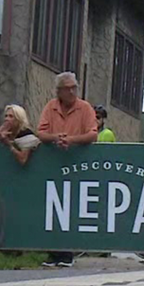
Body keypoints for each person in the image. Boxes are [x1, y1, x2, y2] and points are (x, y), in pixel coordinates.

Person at [37, 72, 99, 267]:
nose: (72, 91)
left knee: (71, 207)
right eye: (67, 88)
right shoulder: (50, 107)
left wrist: (71, 140)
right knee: (52, 207)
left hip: (78, 163)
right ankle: (53, 253)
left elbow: (93, 134)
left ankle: (67, 253)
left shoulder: (85, 108)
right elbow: (41, 132)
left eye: (74, 87)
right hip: (54, 162)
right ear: (59, 91)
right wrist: (56, 137)